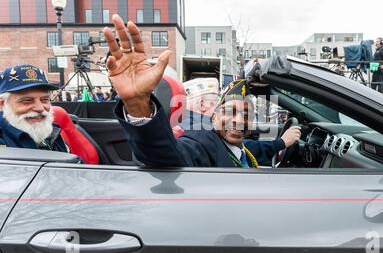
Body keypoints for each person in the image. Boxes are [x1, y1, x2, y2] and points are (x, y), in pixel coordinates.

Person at [104, 14, 301, 167]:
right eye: (230, 111)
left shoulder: (236, 147)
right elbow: (165, 158)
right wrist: (138, 104)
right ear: (213, 119)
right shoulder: (203, 142)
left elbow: (253, 148)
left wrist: (281, 143)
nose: (239, 120)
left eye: (246, 114)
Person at [0, 64, 70, 152]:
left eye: (44, 100)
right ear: (2, 104)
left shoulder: (52, 131)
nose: (40, 108)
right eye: (27, 100)